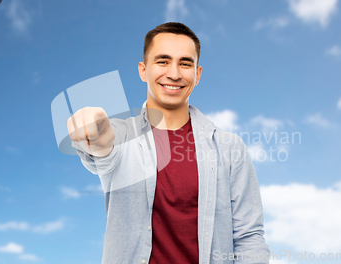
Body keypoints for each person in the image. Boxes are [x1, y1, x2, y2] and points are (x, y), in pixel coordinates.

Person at [67, 22, 270, 264]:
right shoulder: (121, 137)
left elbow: (249, 237)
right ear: (143, 70)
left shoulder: (229, 147)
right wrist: (94, 137)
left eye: (185, 63)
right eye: (163, 61)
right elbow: (102, 153)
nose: (174, 73)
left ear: (198, 74)